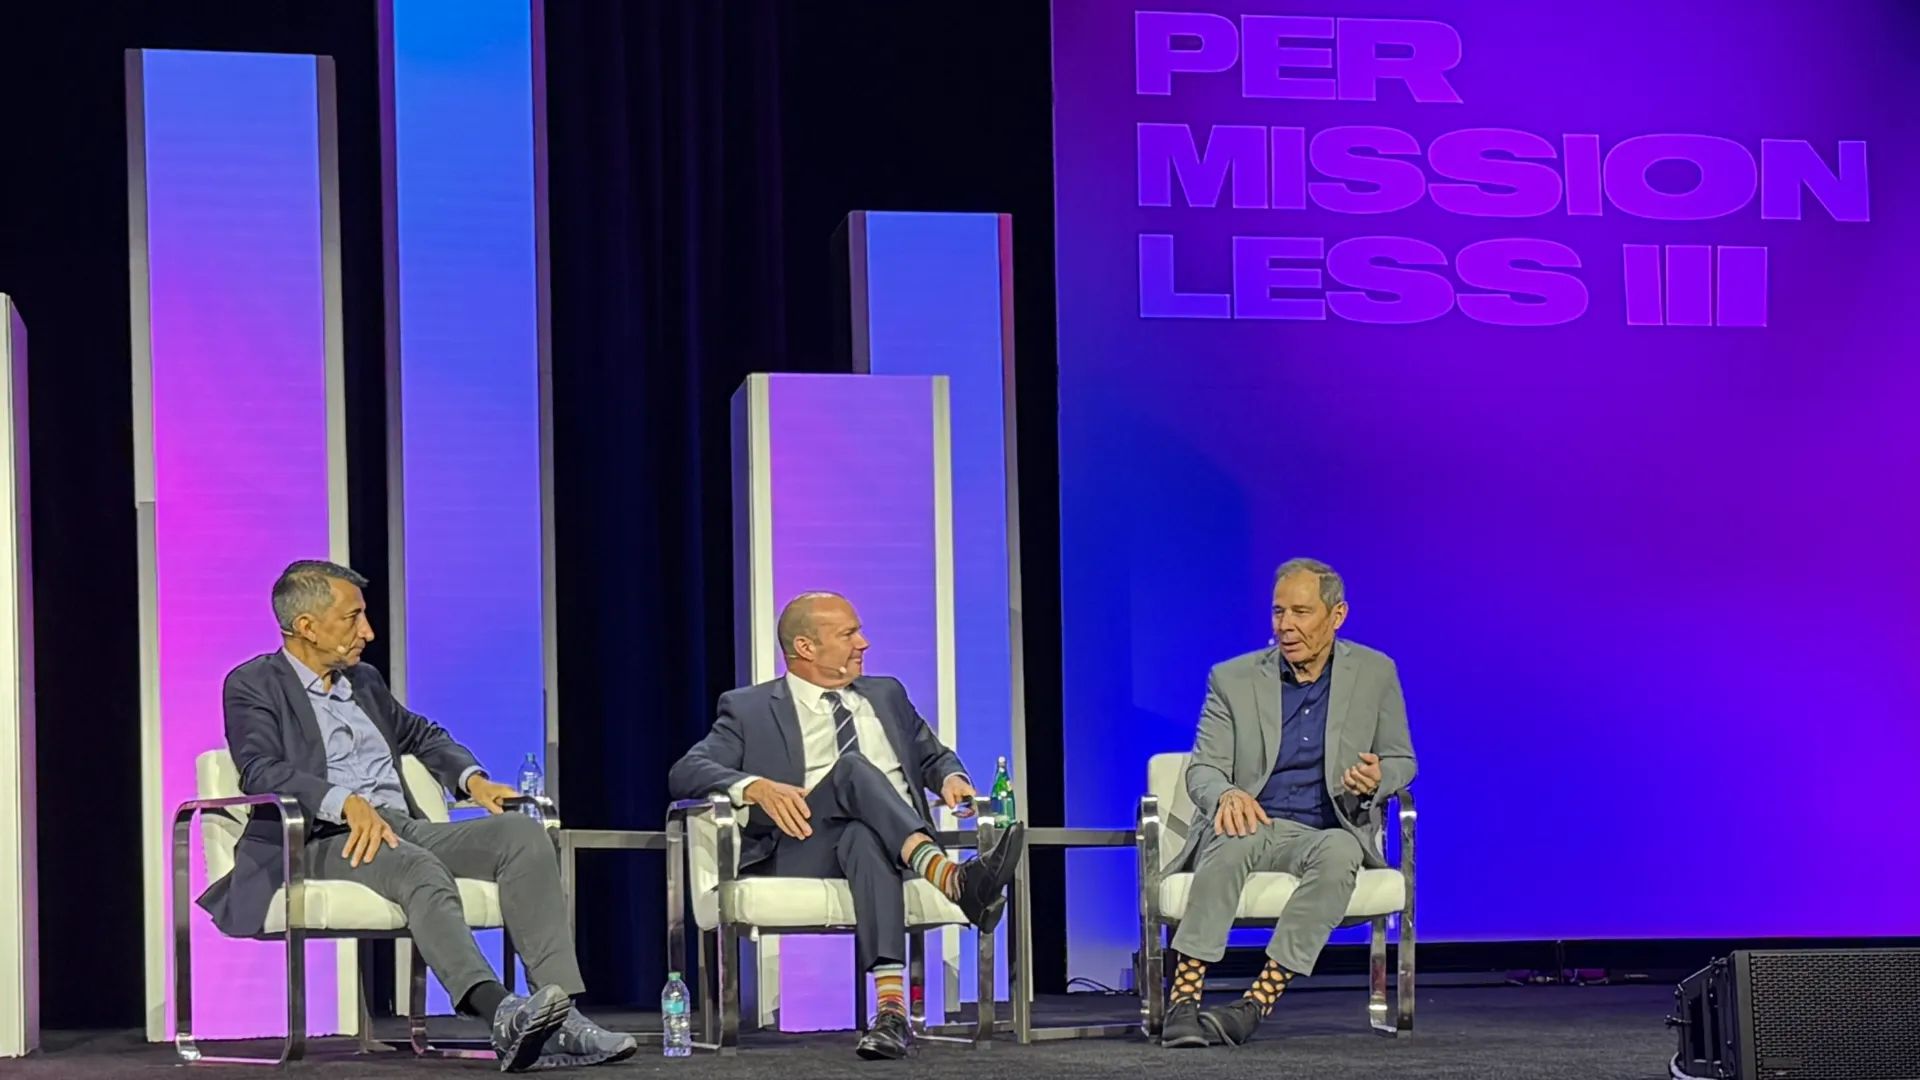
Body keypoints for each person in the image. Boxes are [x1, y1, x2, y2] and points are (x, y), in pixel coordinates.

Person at [198, 560, 632, 1072]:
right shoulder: (253, 683)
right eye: (353, 618)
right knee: (416, 866)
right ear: (306, 626)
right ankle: (498, 1013)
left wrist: (473, 779)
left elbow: (420, 734)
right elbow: (259, 769)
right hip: (319, 836)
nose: (368, 631)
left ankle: (562, 1017)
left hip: (400, 825)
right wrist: (343, 799)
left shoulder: (363, 681)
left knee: (521, 834)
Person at [668, 591, 1026, 1060]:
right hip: (800, 845)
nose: (865, 642)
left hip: (883, 844)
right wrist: (754, 786)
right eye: (849, 634)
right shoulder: (748, 708)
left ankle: (891, 1014)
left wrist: (952, 777)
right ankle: (951, 878)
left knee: (864, 835)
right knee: (852, 769)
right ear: (805, 647)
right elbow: (686, 771)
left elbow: (932, 754)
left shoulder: (887, 694)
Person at [1160, 558, 1417, 1049]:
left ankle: (1254, 1004)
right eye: (1279, 612)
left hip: (1326, 830)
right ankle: (1184, 1001)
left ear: (1336, 615)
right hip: (1252, 821)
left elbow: (1403, 759)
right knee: (1232, 841)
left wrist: (1379, 777)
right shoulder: (1231, 679)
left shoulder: (1375, 672)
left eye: (1301, 612)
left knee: (1342, 852)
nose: (1286, 626)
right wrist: (1227, 793)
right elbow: (1204, 769)